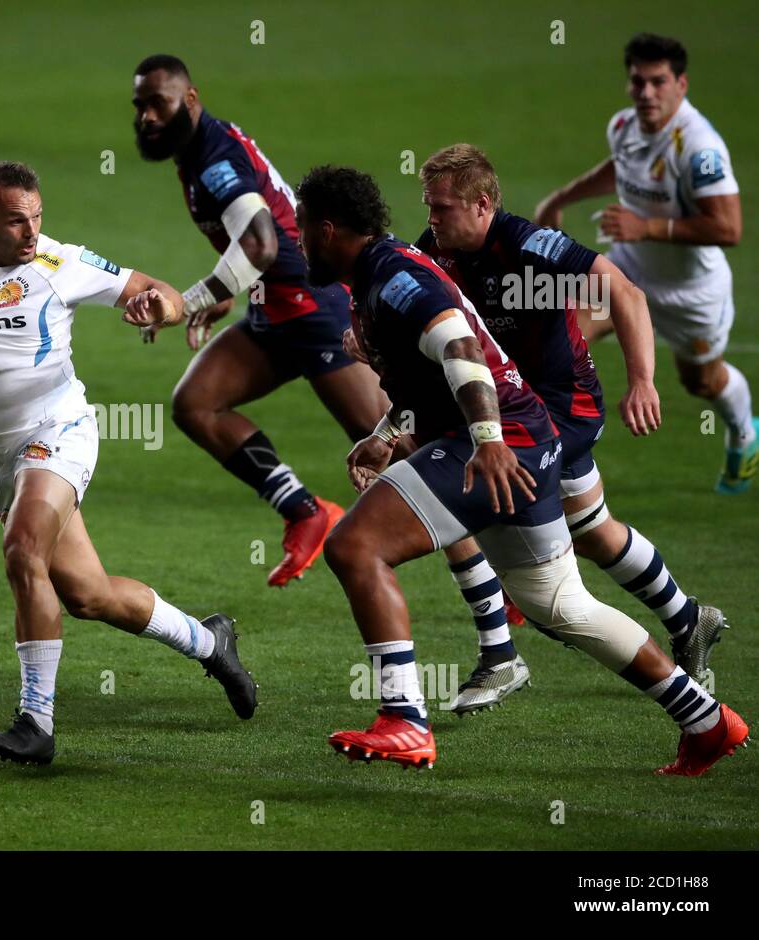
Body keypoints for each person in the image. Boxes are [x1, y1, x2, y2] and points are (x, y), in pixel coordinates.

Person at [297, 164, 746, 776]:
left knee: (355, 547)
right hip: (522, 437)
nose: (297, 244)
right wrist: (387, 434)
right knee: (562, 605)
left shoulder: (395, 277)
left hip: (496, 440)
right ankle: (706, 720)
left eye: (301, 231)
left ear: (327, 230)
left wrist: (486, 440)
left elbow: (460, 347)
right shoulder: (388, 272)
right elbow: (425, 376)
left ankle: (404, 718)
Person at [0, 161, 257, 766]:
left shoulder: (59, 263)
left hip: (59, 429)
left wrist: (161, 308)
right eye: (15, 221)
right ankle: (211, 643)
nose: (30, 232)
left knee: (23, 549)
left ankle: (35, 722)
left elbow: (162, 293)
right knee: (87, 594)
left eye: (36, 217)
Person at [412, 144, 728, 711]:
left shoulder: (529, 245)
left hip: (562, 408)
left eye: (442, 209)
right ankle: (688, 618)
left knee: (461, 488)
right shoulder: (437, 247)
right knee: (592, 530)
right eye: (429, 209)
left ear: (482, 205)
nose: (432, 221)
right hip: (512, 405)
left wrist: (643, 381)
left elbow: (624, 294)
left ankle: (500, 652)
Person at [131, 55, 389, 587]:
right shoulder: (197, 150)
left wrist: (196, 296)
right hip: (274, 309)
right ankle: (305, 510)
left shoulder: (214, 160)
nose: (146, 117)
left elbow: (261, 244)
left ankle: (503, 574)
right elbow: (248, 242)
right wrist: (231, 290)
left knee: (392, 444)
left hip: (315, 310)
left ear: (191, 99)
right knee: (195, 404)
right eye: (139, 106)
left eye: (158, 103)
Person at [536, 33, 755, 494]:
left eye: (658, 82)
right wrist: (563, 197)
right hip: (629, 270)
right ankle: (548, 454)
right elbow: (621, 165)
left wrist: (647, 227)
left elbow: (728, 228)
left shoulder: (700, 149)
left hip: (690, 293)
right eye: (638, 81)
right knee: (559, 325)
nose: (647, 93)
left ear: (681, 83)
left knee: (701, 381)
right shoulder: (624, 126)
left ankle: (744, 435)